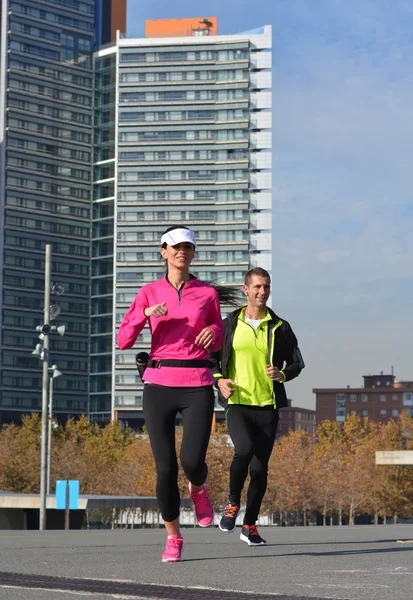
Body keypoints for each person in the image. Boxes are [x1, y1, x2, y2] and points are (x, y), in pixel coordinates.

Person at [117, 226, 224, 563]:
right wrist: (143, 314)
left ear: (193, 254)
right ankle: (174, 537)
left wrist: (213, 332)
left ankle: (198, 486)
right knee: (164, 468)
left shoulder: (206, 294)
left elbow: (220, 335)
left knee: (191, 461)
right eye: (176, 247)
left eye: (188, 248)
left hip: (197, 381)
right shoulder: (148, 292)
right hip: (159, 382)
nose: (183, 252)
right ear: (163, 251)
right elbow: (123, 340)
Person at [210, 267, 305, 546]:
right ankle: (231, 503)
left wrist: (282, 374)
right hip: (238, 402)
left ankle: (249, 526)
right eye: (257, 287)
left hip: (268, 405)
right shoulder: (228, 324)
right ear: (246, 289)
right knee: (244, 450)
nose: (262, 292)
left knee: (260, 469)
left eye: (266, 287)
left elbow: (297, 362)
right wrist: (219, 380)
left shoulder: (280, 327)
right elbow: (211, 357)